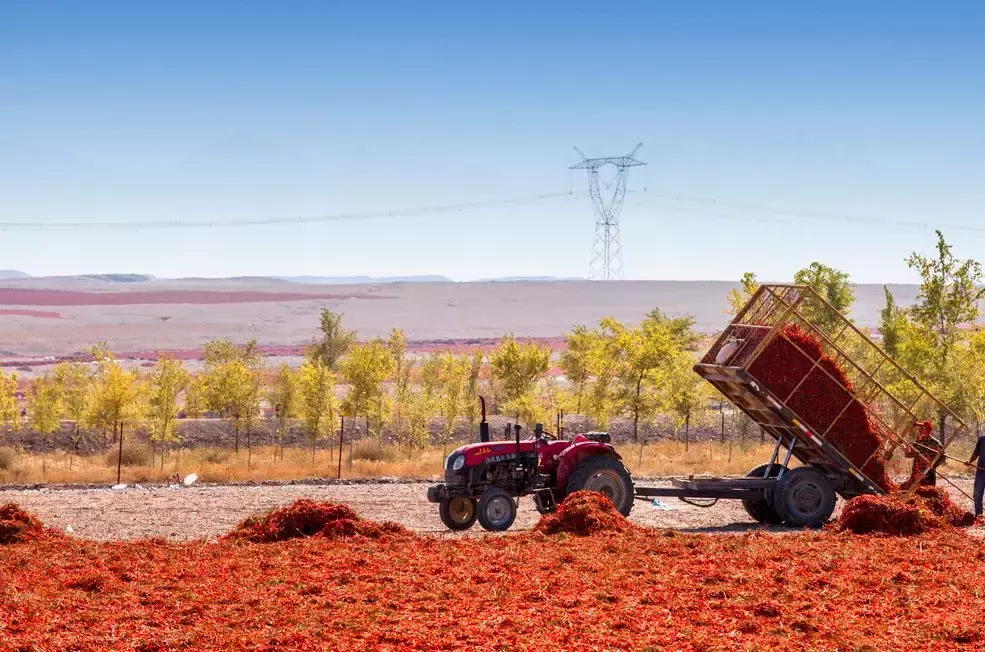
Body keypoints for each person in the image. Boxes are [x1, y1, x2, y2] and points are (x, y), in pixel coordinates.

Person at [967, 433, 985, 517]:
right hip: (981, 471)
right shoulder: (982, 439)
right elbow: (976, 453)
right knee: (977, 494)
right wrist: (969, 461)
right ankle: (979, 515)